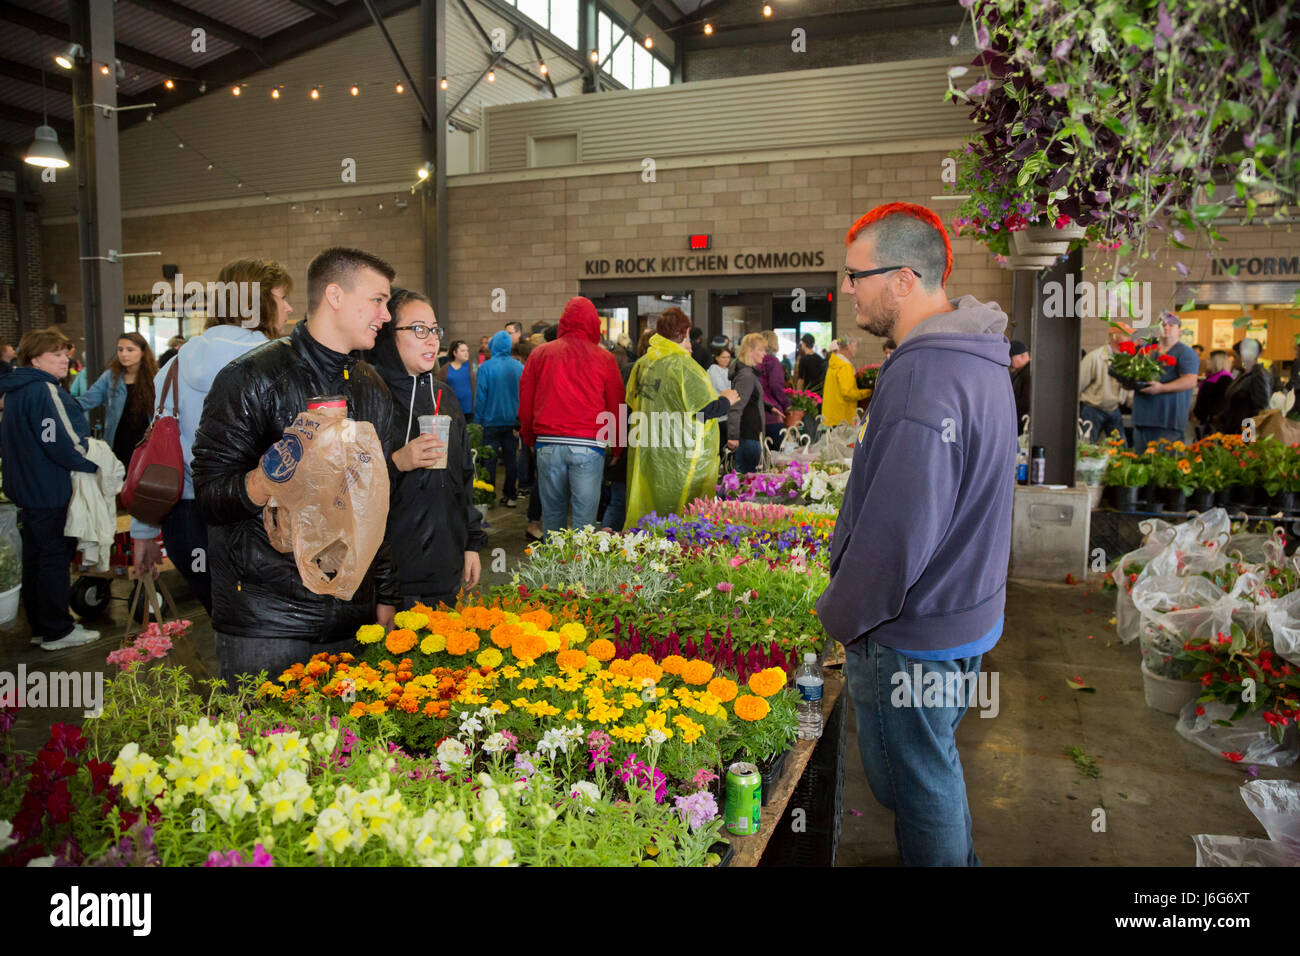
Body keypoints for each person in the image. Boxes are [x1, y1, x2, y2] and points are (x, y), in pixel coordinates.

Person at [816, 201, 1015, 867]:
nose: (848, 289)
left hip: (912, 630)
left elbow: (899, 533)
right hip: (962, 612)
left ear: (903, 279)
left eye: (856, 274)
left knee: (919, 784)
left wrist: (840, 615)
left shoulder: (926, 374)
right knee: (933, 768)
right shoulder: (976, 354)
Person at [191, 247, 401, 685]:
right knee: (262, 749)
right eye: (378, 300)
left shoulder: (372, 386)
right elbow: (210, 498)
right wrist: (268, 478)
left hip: (351, 618)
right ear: (335, 296)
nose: (386, 314)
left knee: (351, 752)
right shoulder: (251, 377)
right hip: (266, 622)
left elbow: (376, 505)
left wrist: (385, 594)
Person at [131, 258, 295, 615]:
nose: (289, 307)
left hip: (185, 524)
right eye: (282, 297)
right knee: (269, 631)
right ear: (261, 302)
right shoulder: (282, 364)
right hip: (262, 517)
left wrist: (142, 533)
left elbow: (155, 452)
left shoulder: (172, 368)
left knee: (224, 622)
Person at [368, 289, 485, 609]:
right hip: (392, 574)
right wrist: (396, 463)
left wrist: (471, 543)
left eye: (435, 330)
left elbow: (464, 474)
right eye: (419, 330)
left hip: (445, 567)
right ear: (389, 335)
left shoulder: (443, 396)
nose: (431, 340)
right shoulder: (370, 396)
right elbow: (345, 489)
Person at [0, 328, 102, 651]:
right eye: (56, 354)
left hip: (27, 488)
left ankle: (42, 627)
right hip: (49, 488)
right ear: (35, 359)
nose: (65, 359)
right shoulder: (44, 390)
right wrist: (95, 465)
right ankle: (58, 630)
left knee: (36, 558)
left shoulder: (16, 390)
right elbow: (58, 442)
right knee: (54, 560)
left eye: (65, 353)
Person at [517, 297, 625, 533]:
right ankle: (580, 570)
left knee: (552, 520)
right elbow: (616, 406)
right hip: (588, 445)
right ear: (593, 324)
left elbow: (525, 401)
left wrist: (529, 438)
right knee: (584, 525)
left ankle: (552, 569)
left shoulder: (540, 354)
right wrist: (617, 447)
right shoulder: (605, 359)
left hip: (548, 444)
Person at [624, 307, 738, 527]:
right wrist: (726, 400)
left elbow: (633, 402)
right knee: (678, 518)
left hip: (648, 451)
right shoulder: (685, 366)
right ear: (686, 333)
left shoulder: (644, 363)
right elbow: (704, 410)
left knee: (649, 512)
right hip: (680, 456)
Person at [76, 331, 158, 469]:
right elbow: (87, 400)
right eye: (120, 349)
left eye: (130, 350)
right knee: (118, 484)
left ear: (143, 352)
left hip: (147, 442)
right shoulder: (110, 377)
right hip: (118, 442)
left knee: (144, 484)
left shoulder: (156, 377)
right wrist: (59, 403)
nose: (124, 354)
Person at [1131, 314, 1199, 451]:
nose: (1166, 327)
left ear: (1179, 330)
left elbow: (1190, 380)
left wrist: (1161, 388)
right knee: (1139, 466)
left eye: (1171, 324)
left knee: (1163, 467)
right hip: (1142, 420)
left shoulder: (1186, 353)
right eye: (1162, 324)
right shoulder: (1147, 351)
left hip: (1167, 423)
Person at [475, 329, 524, 508]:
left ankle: (488, 498)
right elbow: (524, 396)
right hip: (512, 423)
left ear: (493, 345)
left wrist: (478, 421)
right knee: (511, 460)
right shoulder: (519, 367)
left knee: (490, 461)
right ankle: (511, 496)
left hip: (490, 422)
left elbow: (481, 397)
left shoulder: (486, 367)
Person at [1078, 328, 1132, 444]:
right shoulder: (1094, 357)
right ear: (1114, 336)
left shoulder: (1127, 359)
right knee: (1086, 446)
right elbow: (1079, 384)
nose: (1129, 338)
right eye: (1125, 334)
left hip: (1114, 409)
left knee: (1120, 449)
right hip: (1092, 409)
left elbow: (1128, 390)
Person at [727, 333, 767, 474]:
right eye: (761, 350)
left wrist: (770, 408)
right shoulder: (747, 376)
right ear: (750, 351)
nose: (764, 354)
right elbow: (736, 406)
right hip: (748, 435)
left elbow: (750, 398)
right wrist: (733, 436)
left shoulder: (747, 373)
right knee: (746, 482)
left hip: (749, 434)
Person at [1215, 338, 1271, 436]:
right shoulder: (1242, 373)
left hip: (1243, 433)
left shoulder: (1258, 376)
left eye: (1235, 357)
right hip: (1232, 429)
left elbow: (1261, 410)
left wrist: (1247, 437)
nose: (1233, 360)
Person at [821, 336, 871, 428]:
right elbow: (848, 393)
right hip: (843, 417)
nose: (856, 349)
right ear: (848, 347)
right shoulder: (845, 367)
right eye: (855, 346)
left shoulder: (834, 363)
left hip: (831, 416)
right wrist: (869, 392)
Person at [759, 330, 791, 451]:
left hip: (758, 414)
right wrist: (786, 404)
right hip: (773, 415)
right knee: (776, 458)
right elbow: (775, 386)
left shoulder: (755, 362)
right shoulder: (773, 362)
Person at [436, 339, 477, 424]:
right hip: (452, 410)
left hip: (469, 410)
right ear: (455, 353)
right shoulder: (445, 369)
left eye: (467, 350)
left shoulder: (471, 366)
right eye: (462, 350)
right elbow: (438, 388)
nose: (466, 353)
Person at [1008, 340, 1031, 433]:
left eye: (1011, 357)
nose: (1009, 360)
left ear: (1023, 356)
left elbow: (1027, 401)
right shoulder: (1022, 372)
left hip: (1022, 422)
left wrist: (1008, 404)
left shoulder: (1029, 373)